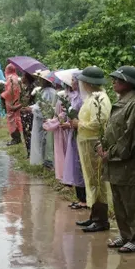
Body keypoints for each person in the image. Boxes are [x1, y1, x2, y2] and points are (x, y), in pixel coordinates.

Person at [98, 66, 135, 253]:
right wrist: (102, 146)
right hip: (116, 161)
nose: (113, 82)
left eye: (118, 80)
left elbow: (131, 137)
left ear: (128, 83)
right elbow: (113, 130)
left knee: (133, 201)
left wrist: (110, 153)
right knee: (119, 199)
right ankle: (126, 234)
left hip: (130, 163)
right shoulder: (121, 102)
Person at [73, 66, 113, 233]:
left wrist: (79, 124)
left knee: (97, 180)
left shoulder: (100, 98)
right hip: (86, 142)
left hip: (93, 142)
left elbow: (99, 122)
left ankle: (101, 219)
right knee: (91, 179)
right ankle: (94, 215)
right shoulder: (92, 97)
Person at [56, 70, 87, 210]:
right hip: (72, 133)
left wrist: (71, 124)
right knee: (74, 163)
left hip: (79, 133)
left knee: (80, 164)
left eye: (74, 80)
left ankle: (84, 199)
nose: (72, 83)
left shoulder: (83, 98)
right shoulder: (74, 96)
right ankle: (79, 197)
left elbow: (82, 118)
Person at [43, 75, 68, 182]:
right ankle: (62, 174)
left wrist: (51, 123)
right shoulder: (61, 95)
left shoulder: (65, 96)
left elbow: (63, 114)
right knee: (59, 151)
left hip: (63, 128)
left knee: (63, 151)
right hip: (58, 126)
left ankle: (65, 175)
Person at [29, 71, 55, 168]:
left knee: (44, 140)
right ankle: (44, 160)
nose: (39, 81)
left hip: (44, 120)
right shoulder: (46, 91)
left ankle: (46, 160)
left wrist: (31, 109)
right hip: (43, 119)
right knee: (44, 140)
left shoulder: (48, 92)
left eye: (40, 79)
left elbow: (43, 107)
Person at [1, 63, 24, 146]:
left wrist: (3, 95)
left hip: (12, 102)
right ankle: (17, 138)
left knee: (12, 120)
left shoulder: (10, 78)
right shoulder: (16, 77)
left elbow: (10, 91)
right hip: (16, 100)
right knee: (16, 119)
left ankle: (16, 139)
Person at [20, 72, 36, 158]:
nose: (22, 78)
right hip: (25, 113)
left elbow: (29, 101)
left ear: (27, 78)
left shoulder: (33, 88)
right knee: (26, 134)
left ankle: (31, 153)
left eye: (23, 76)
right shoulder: (26, 88)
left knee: (29, 133)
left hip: (30, 114)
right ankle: (29, 152)